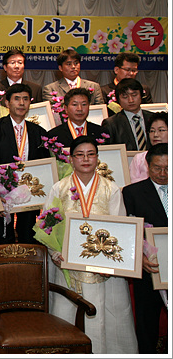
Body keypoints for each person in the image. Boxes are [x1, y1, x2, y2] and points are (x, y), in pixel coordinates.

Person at [42, 136, 138, 354]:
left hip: (103, 269)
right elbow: (47, 226)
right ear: (71, 159)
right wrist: (55, 253)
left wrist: (109, 261)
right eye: (80, 155)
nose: (85, 159)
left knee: (108, 315)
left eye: (90, 154)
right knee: (66, 313)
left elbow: (119, 228)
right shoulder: (59, 188)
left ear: (97, 158)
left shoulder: (111, 189)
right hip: (67, 265)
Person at [0, 83, 49, 244]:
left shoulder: (38, 131)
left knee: (28, 234)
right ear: (7, 103)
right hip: (3, 192)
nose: (21, 103)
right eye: (17, 99)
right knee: (3, 236)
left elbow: (43, 164)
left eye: (25, 99)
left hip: (29, 191)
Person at [122, 143, 168, 353]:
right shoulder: (132, 193)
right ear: (148, 166)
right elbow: (126, 232)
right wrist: (139, 258)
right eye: (157, 168)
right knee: (147, 323)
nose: (163, 174)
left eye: (168, 168)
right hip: (149, 268)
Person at [102, 78, 155, 151]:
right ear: (118, 100)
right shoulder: (111, 123)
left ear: (141, 96)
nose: (131, 100)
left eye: (134, 95)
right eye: (125, 97)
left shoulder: (153, 118)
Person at [129, 112, 167, 183]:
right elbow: (133, 184)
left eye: (161, 130)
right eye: (152, 131)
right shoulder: (139, 158)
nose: (155, 135)